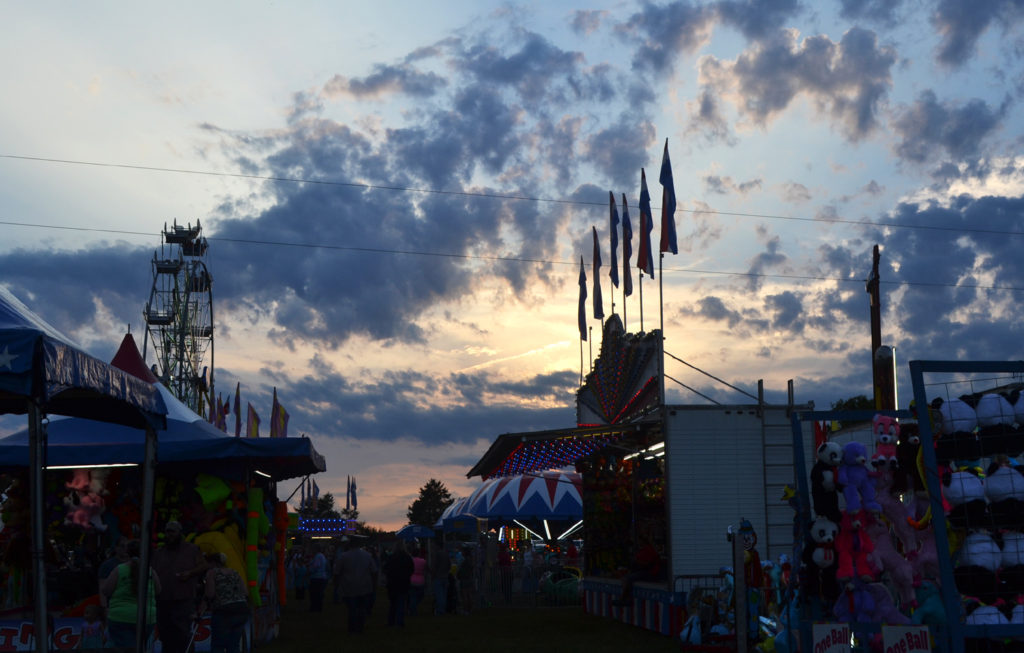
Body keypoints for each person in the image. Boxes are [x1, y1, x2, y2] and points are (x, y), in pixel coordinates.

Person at [151, 520, 206, 653]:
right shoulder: (159, 552)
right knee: (165, 635)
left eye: (172, 531)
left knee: (183, 634)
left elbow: (204, 565)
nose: (169, 535)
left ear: (179, 533)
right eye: (167, 532)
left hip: (184, 598)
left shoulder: (192, 549)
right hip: (163, 599)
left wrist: (190, 573)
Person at [100, 539, 161, 649]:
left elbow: (106, 590)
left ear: (127, 552)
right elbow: (158, 590)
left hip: (121, 617)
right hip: (146, 618)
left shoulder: (119, 569)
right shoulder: (150, 571)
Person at [199, 552, 249, 653]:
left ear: (213, 562)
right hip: (241, 609)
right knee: (234, 645)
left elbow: (210, 594)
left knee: (218, 645)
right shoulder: (235, 572)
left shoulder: (212, 573)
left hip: (224, 611)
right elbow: (245, 592)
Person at [336, 537, 378, 633]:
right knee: (361, 608)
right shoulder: (367, 555)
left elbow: (337, 572)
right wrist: (374, 584)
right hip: (364, 586)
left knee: (352, 609)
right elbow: (374, 571)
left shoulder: (344, 556)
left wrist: (337, 584)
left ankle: (352, 628)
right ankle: (360, 627)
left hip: (349, 586)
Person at [613, 537, 664, 606]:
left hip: (650, 573)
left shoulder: (649, 550)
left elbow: (648, 564)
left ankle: (624, 599)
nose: (638, 543)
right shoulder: (643, 550)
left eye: (640, 541)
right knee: (625, 577)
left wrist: (637, 562)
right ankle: (624, 598)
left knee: (628, 578)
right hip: (645, 571)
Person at [383, 540, 414, 626]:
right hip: (403, 583)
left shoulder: (391, 557)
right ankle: (399, 622)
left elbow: (385, 569)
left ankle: (391, 621)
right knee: (401, 603)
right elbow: (411, 570)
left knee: (393, 603)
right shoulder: (407, 558)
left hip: (392, 583)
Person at [307, 542, 329, 612]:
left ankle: (315, 608)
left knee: (315, 594)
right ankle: (318, 607)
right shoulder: (321, 556)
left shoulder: (318, 556)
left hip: (316, 578)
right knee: (319, 594)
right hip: (321, 577)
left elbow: (316, 566)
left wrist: (310, 570)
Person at [429, 540, 449, 615]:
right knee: (444, 595)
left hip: (438, 577)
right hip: (445, 576)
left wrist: (432, 575)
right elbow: (449, 565)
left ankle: (440, 611)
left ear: (438, 546)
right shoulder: (446, 554)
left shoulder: (437, 554)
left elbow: (434, 566)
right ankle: (442, 609)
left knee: (439, 595)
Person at [408, 544, 427, 616]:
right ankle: (413, 608)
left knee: (413, 596)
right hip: (421, 580)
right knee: (420, 595)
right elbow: (426, 569)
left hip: (412, 579)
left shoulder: (410, 560)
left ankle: (412, 608)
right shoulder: (423, 561)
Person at [457, 545, 476, 614]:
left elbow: (462, 570)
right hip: (469, 578)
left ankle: (466, 609)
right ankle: (470, 608)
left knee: (465, 595)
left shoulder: (465, 561)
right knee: (469, 594)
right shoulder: (471, 560)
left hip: (464, 579)